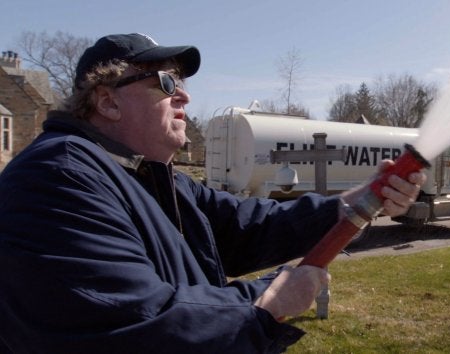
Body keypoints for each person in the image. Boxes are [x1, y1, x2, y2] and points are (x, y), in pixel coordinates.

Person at [0, 33, 424, 353]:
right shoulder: (59, 178)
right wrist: (267, 300)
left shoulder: (146, 175)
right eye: (165, 81)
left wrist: (359, 201)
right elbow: (135, 323)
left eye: (180, 81)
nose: (183, 94)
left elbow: (249, 226)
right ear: (107, 102)